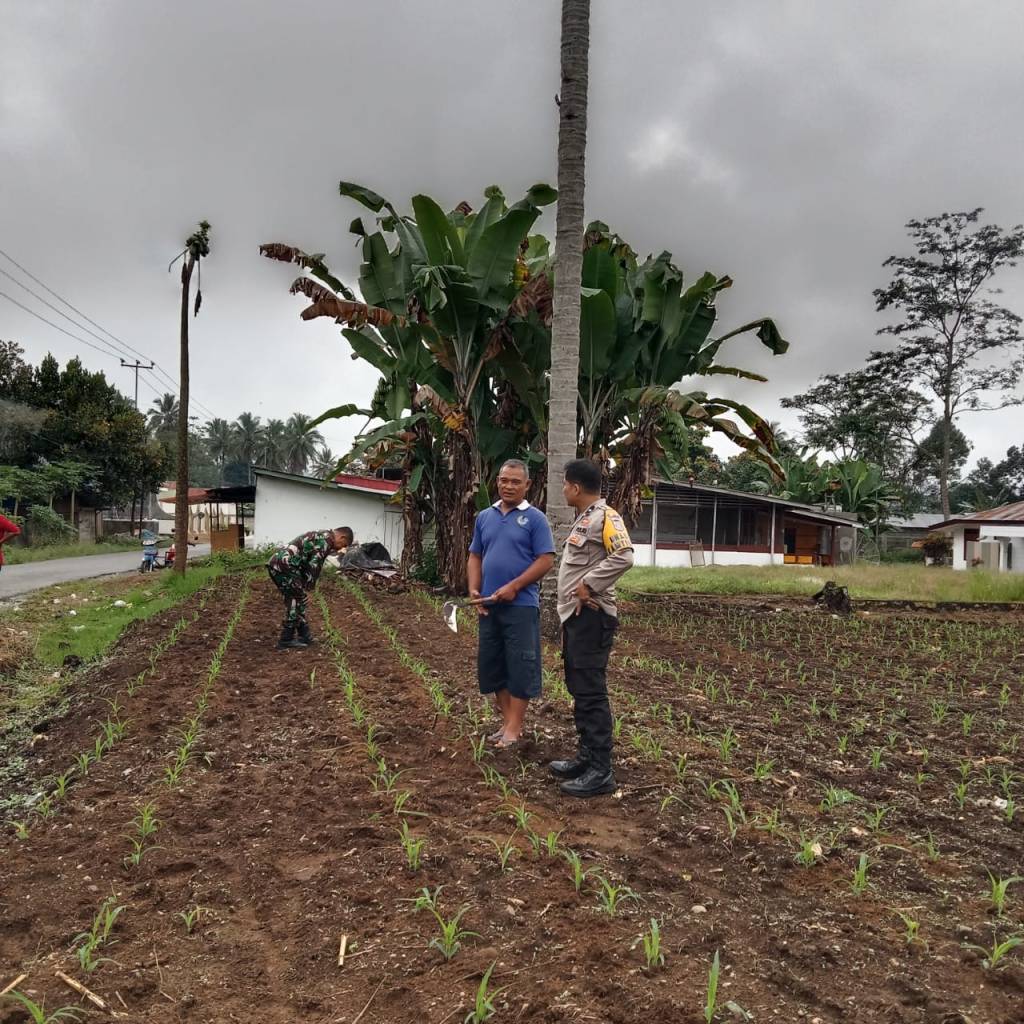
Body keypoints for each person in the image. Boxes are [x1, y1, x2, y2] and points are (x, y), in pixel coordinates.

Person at [550, 459, 634, 797]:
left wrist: (588, 583)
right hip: (576, 615)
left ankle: (602, 770)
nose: (563, 490)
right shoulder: (585, 519)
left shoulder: (606, 516)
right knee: (578, 686)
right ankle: (586, 757)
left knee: (591, 691)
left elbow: (625, 556)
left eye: (565, 484)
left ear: (575, 487)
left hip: (593, 615)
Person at [468, 460, 555, 748]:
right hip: (488, 603)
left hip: (521, 605)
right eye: (504, 480)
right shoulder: (484, 517)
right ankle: (507, 723)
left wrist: (515, 586)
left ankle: (515, 727)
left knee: (520, 664)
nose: (508, 486)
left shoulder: (535, 519)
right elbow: (475, 556)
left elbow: (546, 560)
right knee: (493, 664)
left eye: (515, 481)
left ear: (527, 485)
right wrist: (473, 589)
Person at [267, 526, 353, 649]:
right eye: (343, 544)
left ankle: (304, 635)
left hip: (280, 564)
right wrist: (309, 590)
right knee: (296, 598)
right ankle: (286, 639)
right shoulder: (326, 542)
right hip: (285, 565)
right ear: (342, 537)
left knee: (297, 598)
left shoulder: (322, 536)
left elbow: (307, 562)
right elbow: (314, 566)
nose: (340, 548)